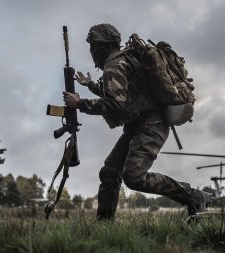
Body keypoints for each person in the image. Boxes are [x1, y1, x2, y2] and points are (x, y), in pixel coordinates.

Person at [63, 23, 210, 220]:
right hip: (140, 124)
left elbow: (115, 104)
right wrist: (89, 84)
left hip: (151, 124)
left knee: (134, 176)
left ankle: (194, 196)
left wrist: (79, 103)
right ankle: (104, 224)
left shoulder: (113, 65)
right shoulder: (126, 59)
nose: (91, 52)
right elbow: (123, 95)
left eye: (93, 47)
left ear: (102, 47)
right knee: (110, 172)